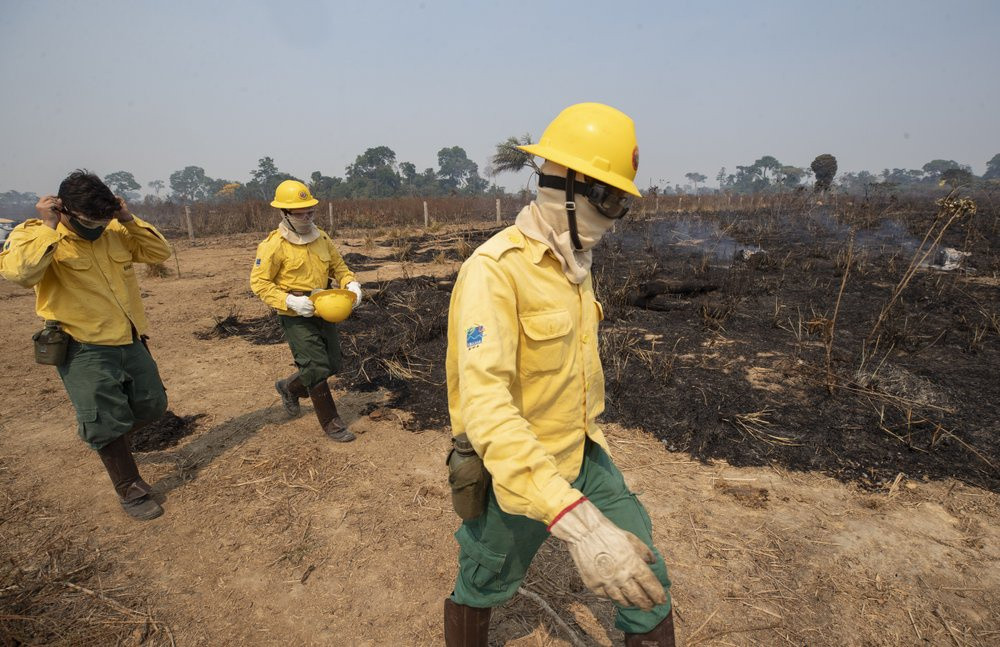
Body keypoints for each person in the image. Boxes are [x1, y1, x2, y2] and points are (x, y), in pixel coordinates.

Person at [443, 103, 676, 645]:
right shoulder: (493, 272)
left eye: (623, 202)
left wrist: (597, 513)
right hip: (518, 468)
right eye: (610, 198)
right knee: (484, 583)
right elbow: (486, 407)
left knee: (644, 571)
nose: (613, 215)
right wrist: (578, 521)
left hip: (584, 448)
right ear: (566, 188)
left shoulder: (573, 261)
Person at [0, 170, 172, 521]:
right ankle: (130, 487)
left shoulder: (114, 230)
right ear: (63, 210)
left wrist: (125, 218)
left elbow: (159, 251)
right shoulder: (37, 234)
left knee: (153, 404)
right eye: (89, 221)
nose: (96, 227)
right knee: (106, 421)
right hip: (83, 346)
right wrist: (49, 226)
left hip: (128, 336)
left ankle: (106, 438)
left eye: (102, 219)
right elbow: (20, 274)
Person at [250, 180, 361, 442]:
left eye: (310, 212)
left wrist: (351, 283)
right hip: (295, 315)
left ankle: (289, 387)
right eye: (300, 213)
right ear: (284, 214)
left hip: (325, 308)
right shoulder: (273, 245)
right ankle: (332, 424)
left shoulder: (321, 237)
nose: (306, 217)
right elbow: (259, 282)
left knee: (333, 363)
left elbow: (340, 269)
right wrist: (289, 301)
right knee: (315, 366)